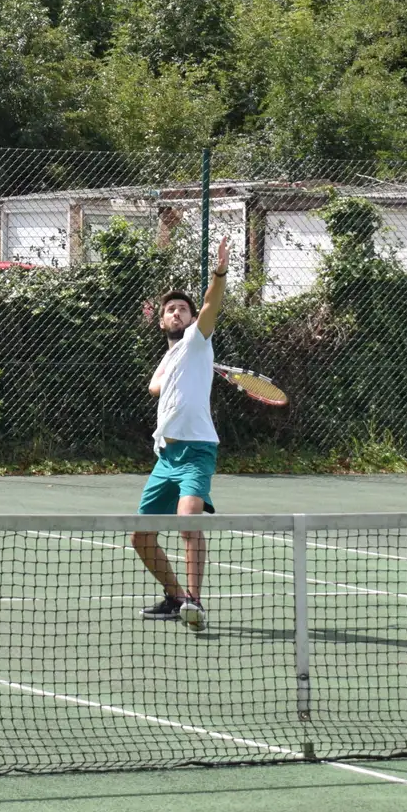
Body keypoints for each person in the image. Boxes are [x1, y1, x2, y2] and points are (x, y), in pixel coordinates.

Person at [132, 236, 231, 632]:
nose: (177, 313)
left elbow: (211, 304)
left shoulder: (196, 340)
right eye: (169, 310)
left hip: (196, 451)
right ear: (161, 321)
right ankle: (175, 597)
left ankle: (195, 602)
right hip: (165, 456)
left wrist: (219, 273)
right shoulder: (170, 356)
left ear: (191, 320)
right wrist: (173, 372)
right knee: (141, 536)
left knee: (189, 521)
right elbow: (155, 387)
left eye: (182, 309)